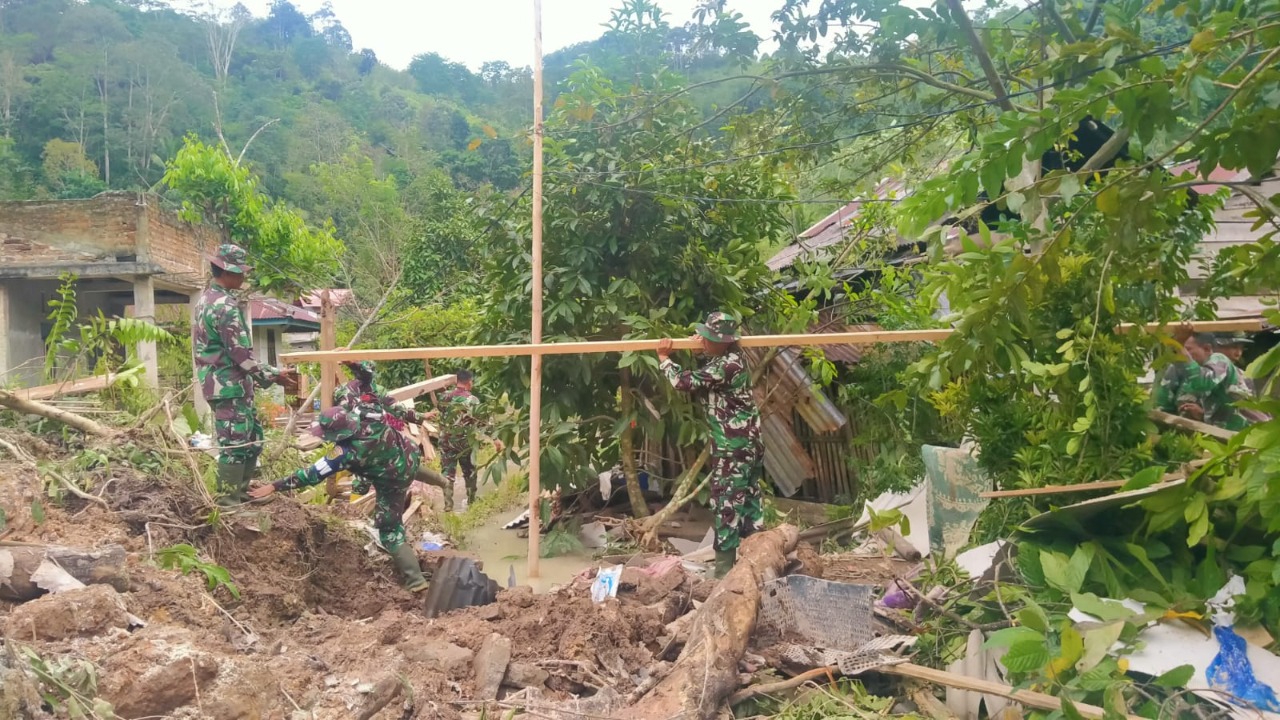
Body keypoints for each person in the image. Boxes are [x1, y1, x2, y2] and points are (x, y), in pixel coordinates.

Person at [249, 406, 429, 592]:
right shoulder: (369, 415)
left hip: (393, 479)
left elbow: (310, 475)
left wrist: (273, 486)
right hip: (409, 454)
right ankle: (442, 481)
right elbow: (393, 416)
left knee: (390, 531)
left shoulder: (345, 453)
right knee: (406, 468)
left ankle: (415, 581)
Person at [656, 311, 763, 579]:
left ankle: (724, 572)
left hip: (732, 447)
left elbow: (684, 381)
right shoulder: (734, 359)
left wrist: (664, 358)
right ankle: (758, 563)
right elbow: (709, 373)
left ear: (723, 341)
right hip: (748, 444)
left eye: (708, 337)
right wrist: (703, 349)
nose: (702, 340)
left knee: (727, 504)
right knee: (749, 501)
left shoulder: (725, 366)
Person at [193, 243, 285, 507]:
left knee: (252, 439)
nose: (244, 277)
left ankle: (242, 493)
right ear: (225, 271)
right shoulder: (224, 307)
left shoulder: (207, 301)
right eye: (240, 272)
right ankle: (229, 503)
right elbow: (241, 355)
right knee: (234, 445)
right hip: (227, 387)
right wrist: (274, 375)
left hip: (230, 386)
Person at [334, 356, 457, 511]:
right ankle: (354, 513)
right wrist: (420, 417)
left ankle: (443, 483)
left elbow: (395, 412)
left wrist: (419, 417)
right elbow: (397, 411)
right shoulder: (356, 391)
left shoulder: (361, 390)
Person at [436, 369, 500, 507]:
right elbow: (483, 421)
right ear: (469, 382)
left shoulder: (443, 397)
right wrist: (495, 438)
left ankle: (448, 505)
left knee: (447, 473)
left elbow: (440, 409)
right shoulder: (472, 400)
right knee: (470, 471)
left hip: (446, 441)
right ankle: (472, 499)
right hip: (464, 441)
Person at [1177, 333, 1258, 430]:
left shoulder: (1221, 360)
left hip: (1247, 435)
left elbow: (1202, 383)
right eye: (1233, 347)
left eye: (1241, 348)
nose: (1238, 354)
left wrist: (1178, 346)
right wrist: (1203, 415)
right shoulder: (1200, 373)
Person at [1153, 328, 1196, 414]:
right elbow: (1162, 405)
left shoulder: (1217, 367)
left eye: (1187, 349)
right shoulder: (1176, 368)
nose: (1183, 353)